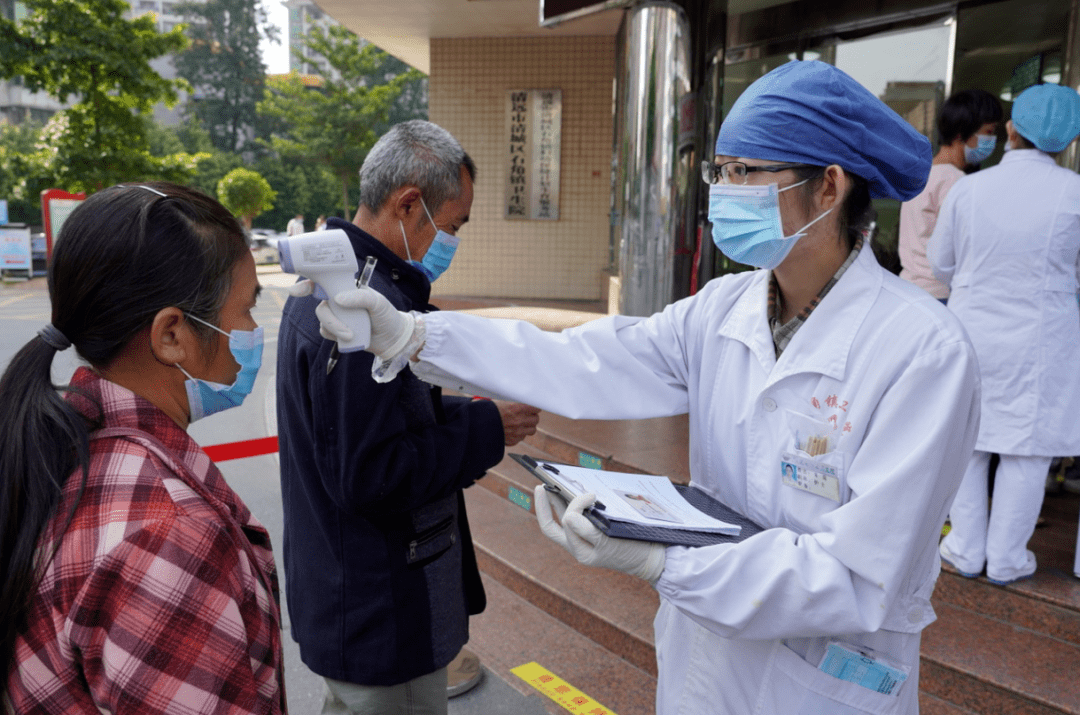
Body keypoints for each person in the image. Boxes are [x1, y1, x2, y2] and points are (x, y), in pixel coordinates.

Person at [313, 62, 981, 715]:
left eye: (745, 173)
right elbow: (585, 360)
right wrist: (419, 337)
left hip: (822, 676)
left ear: (829, 187)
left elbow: (855, 575)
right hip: (706, 662)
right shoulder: (723, 308)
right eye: (720, 172)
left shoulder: (922, 351)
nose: (723, 190)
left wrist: (667, 564)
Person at [276, 119, 540, 715]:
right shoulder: (361, 310)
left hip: (350, 599)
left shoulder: (335, 286)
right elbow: (372, 474)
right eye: (451, 225)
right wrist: (489, 428)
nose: (450, 242)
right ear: (408, 204)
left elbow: (371, 423)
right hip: (382, 608)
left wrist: (461, 408)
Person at [0, 182, 285, 713]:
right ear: (172, 334)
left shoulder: (63, 441)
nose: (252, 331)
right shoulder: (170, 538)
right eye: (245, 310)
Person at [930, 82, 1080, 585]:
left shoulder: (969, 190)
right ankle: (1008, 558)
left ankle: (967, 547)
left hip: (974, 328)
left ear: (1012, 130)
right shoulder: (1075, 193)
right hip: (1046, 337)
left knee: (969, 440)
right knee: (1028, 448)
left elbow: (941, 264)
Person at [898, 89, 1002, 301]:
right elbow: (963, 244)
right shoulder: (955, 181)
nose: (992, 140)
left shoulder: (923, 173)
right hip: (940, 294)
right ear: (960, 134)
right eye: (988, 132)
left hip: (910, 287)